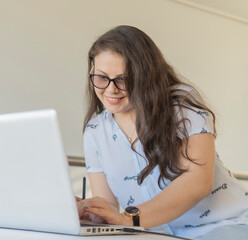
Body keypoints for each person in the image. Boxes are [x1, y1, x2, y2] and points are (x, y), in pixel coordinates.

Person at [77, 25, 248, 239]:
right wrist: (91, 212)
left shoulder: (181, 104)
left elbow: (198, 183)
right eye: (101, 78)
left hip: (224, 225)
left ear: (145, 76)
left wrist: (130, 219)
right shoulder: (95, 131)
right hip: (159, 234)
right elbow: (109, 206)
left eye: (124, 79)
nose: (111, 90)